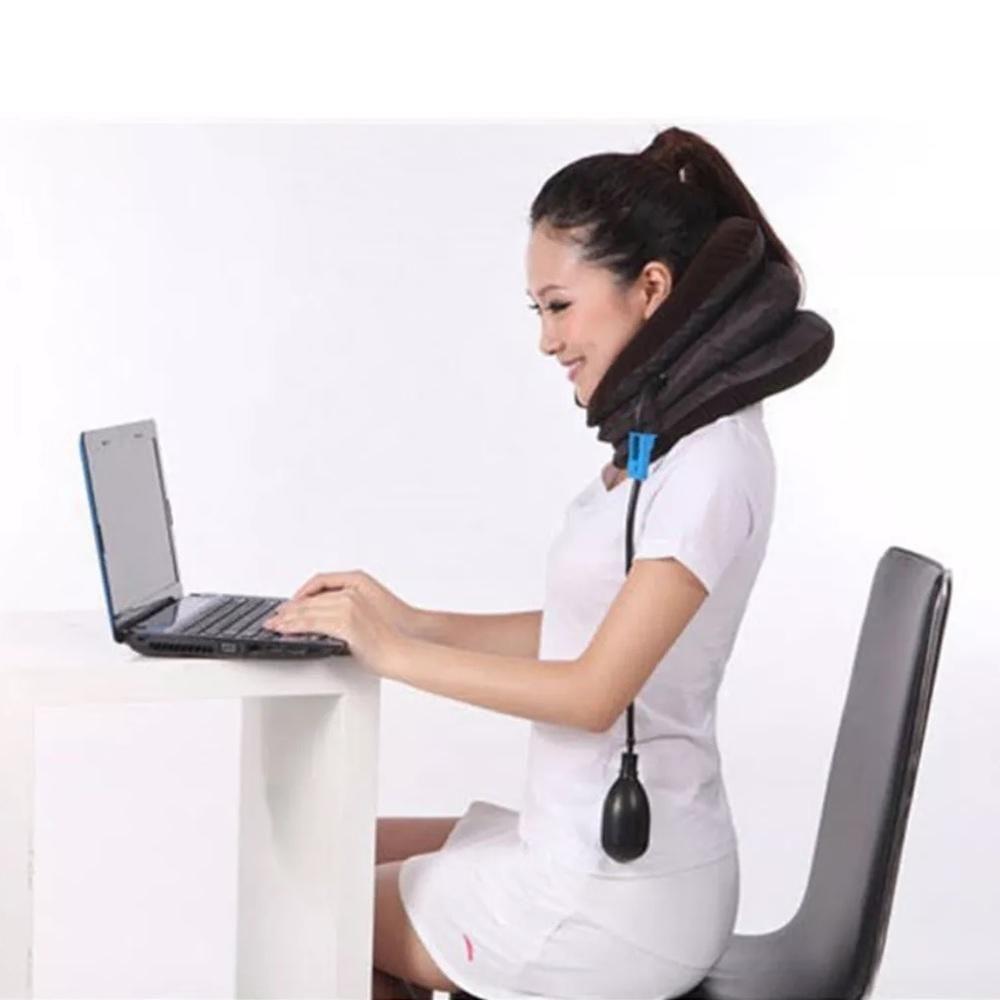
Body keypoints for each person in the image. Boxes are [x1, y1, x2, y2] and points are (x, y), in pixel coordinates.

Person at [268, 125, 800, 1000]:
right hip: (593, 853)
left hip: (615, 903)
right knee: (324, 846)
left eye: (559, 305)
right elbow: (588, 632)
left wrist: (391, 654)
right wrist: (412, 620)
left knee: (307, 904)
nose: (548, 340)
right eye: (538, 311)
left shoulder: (710, 466)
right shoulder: (668, 445)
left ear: (651, 288)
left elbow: (593, 694)